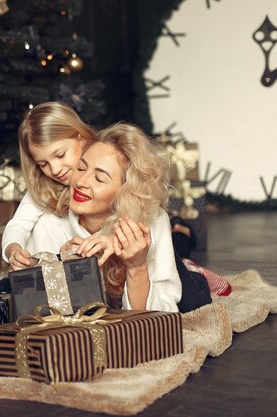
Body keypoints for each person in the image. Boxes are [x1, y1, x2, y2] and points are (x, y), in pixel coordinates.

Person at [61, 123, 212, 312]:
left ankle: (182, 231)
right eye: (81, 168)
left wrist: (136, 265)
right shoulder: (50, 221)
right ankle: (178, 230)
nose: (80, 182)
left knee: (192, 300)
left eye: (99, 179)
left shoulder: (151, 219)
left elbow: (159, 317)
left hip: (176, 278)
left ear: (125, 192)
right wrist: (60, 265)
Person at [0, 102, 103, 270]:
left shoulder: (106, 174)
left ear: (81, 138)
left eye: (60, 155)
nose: (55, 170)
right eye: (43, 164)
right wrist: (14, 250)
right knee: (46, 219)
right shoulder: (44, 187)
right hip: (52, 274)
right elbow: (18, 224)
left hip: (94, 270)